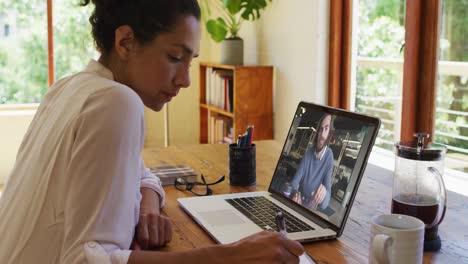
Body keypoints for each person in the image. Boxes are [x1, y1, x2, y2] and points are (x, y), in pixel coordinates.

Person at [0, 1, 303, 263]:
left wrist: (147, 206)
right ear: (126, 42)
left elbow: (140, 171)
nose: (185, 80)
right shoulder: (117, 102)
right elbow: (85, 260)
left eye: (190, 61)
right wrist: (233, 256)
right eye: (174, 58)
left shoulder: (69, 87)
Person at [290, 113, 334, 210]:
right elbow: (295, 181)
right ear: (317, 131)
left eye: (326, 129)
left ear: (330, 133)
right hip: (298, 200)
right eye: (320, 129)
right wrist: (295, 194)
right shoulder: (308, 153)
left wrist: (324, 193)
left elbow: (324, 205)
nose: (322, 134)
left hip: (310, 208)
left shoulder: (329, 157)